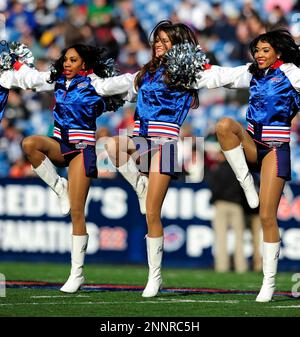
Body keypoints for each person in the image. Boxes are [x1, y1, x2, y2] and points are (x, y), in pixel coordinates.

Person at [17, 43, 135, 293]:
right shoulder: (57, 80)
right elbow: (31, 79)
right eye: (66, 60)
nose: (67, 64)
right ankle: (60, 186)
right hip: (61, 144)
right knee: (29, 144)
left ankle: (77, 273)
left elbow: (125, 84)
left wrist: (148, 76)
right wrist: (12, 67)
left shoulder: (96, 84)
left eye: (73, 60)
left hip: (83, 149)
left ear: (84, 64)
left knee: (77, 212)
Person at [193, 29, 300, 302]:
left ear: (278, 51)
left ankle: (269, 281)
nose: (260, 55)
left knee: (266, 217)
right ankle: (246, 182)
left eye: (265, 50)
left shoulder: (291, 72)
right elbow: (220, 76)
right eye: (257, 50)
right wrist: (189, 74)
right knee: (224, 125)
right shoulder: (252, 72)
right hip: (253, 145)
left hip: (276, 148)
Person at [105, 20, 201, 297]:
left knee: (152, 213)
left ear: (177, 45)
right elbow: (115, 85)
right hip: (141, 139)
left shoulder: (187, 72)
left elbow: (218, 77)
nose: (158, 44)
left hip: (168, 143)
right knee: (111, 146)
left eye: (164, 40)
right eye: (156, 40)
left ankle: (154, 276)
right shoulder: (144, 73)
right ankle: (139, 185)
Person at [206, 149, 248, 273]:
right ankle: (241, 267)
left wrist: (214, 199)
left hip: (221, 204)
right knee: (239, 238)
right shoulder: (238, 170)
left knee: (221, 237)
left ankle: (222, 266)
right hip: (236, 205)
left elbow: (213, 187)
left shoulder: (217, 169)